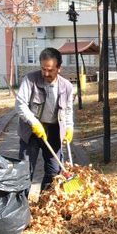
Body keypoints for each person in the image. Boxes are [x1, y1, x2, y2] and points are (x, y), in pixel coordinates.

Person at [16, 47, 74, 195]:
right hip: (31, 131)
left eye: (50, 70)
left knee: (54, 171)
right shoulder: (30, 79)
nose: (46, 73)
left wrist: (69, 127)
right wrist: (34, 123)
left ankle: (45, 204)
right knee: (25, 172)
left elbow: (67, 110)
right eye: (43, 69)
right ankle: (22, 209)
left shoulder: (66, 86)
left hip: (54, 131)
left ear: (59, 68)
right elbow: (20, 104)